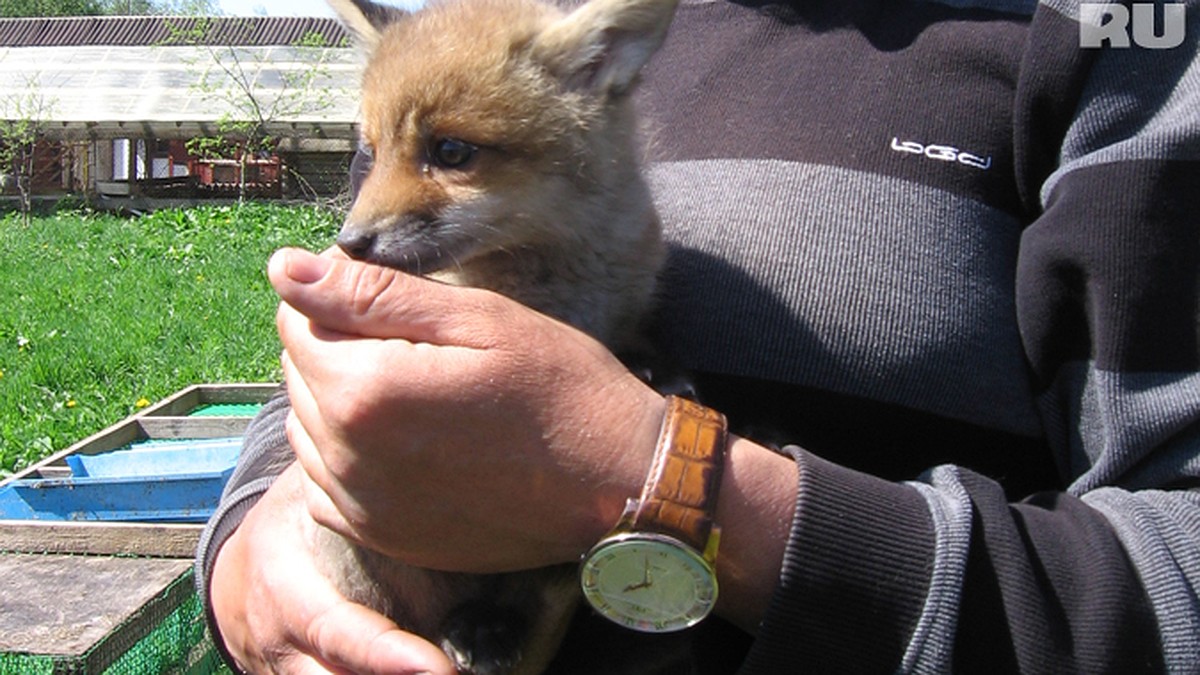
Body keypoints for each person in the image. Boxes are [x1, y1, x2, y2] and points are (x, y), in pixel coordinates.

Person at [195, 0, 1200, 671]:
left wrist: (677, 487)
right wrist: (250, 562)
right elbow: (325, 381)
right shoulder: (526, 19)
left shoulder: (1122, 35)